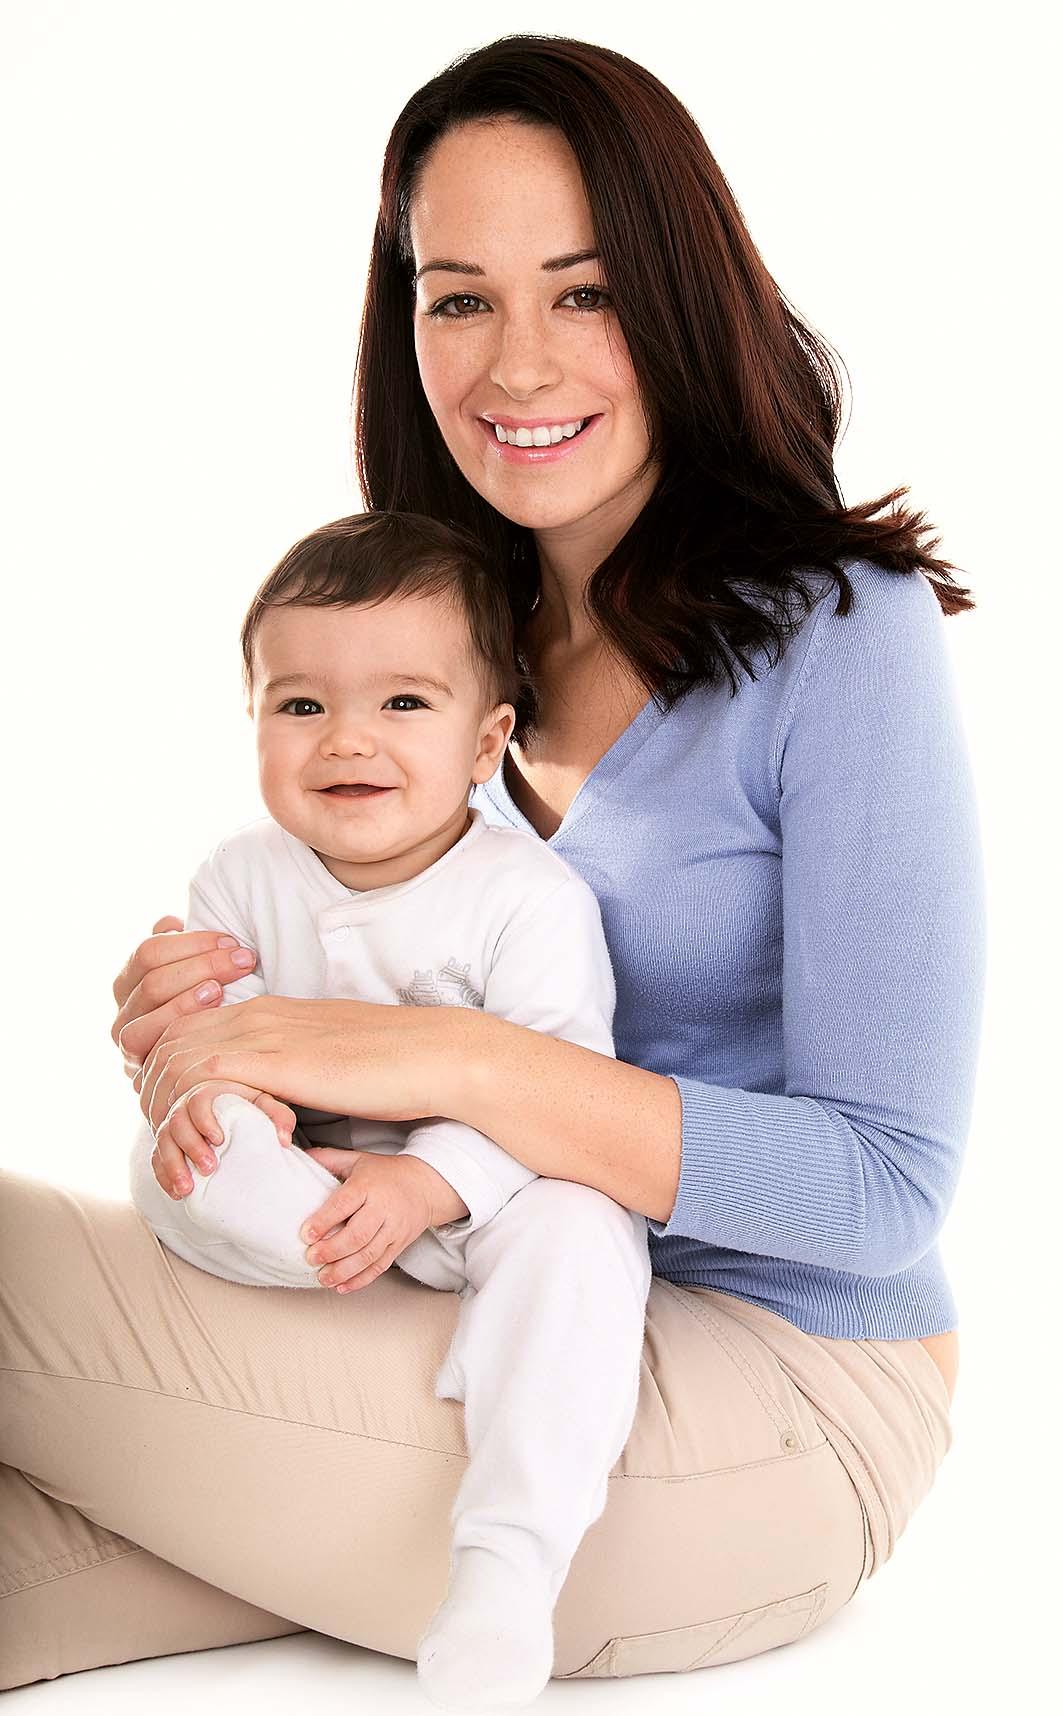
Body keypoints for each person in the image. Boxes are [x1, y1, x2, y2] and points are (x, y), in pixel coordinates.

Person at [0, 31, 985, 1698]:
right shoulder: (441, 655)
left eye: (581, 291)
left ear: (679, 302)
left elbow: (883, 1188)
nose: (515, 363)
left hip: (771, 1398)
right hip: (457, 1320)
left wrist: (433, 1056)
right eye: (457, 298)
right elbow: (359, 1028)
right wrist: (220, 1043)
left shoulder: (837, 637)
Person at [127, 507, 653, 1708]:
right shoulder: (239, 877)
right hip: (305, 1193)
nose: (346, 739)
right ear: (252, 718)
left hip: (482, 1200)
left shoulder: (526, 899)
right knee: (187, 1151)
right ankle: (331, 1280)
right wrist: (208, 1092)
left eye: (403, 702)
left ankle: (505, 1570)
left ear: (486, 740)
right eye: (300, 704)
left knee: (584, 1230)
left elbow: (564, 1083)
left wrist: (428, 1182)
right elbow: (215, 1039)